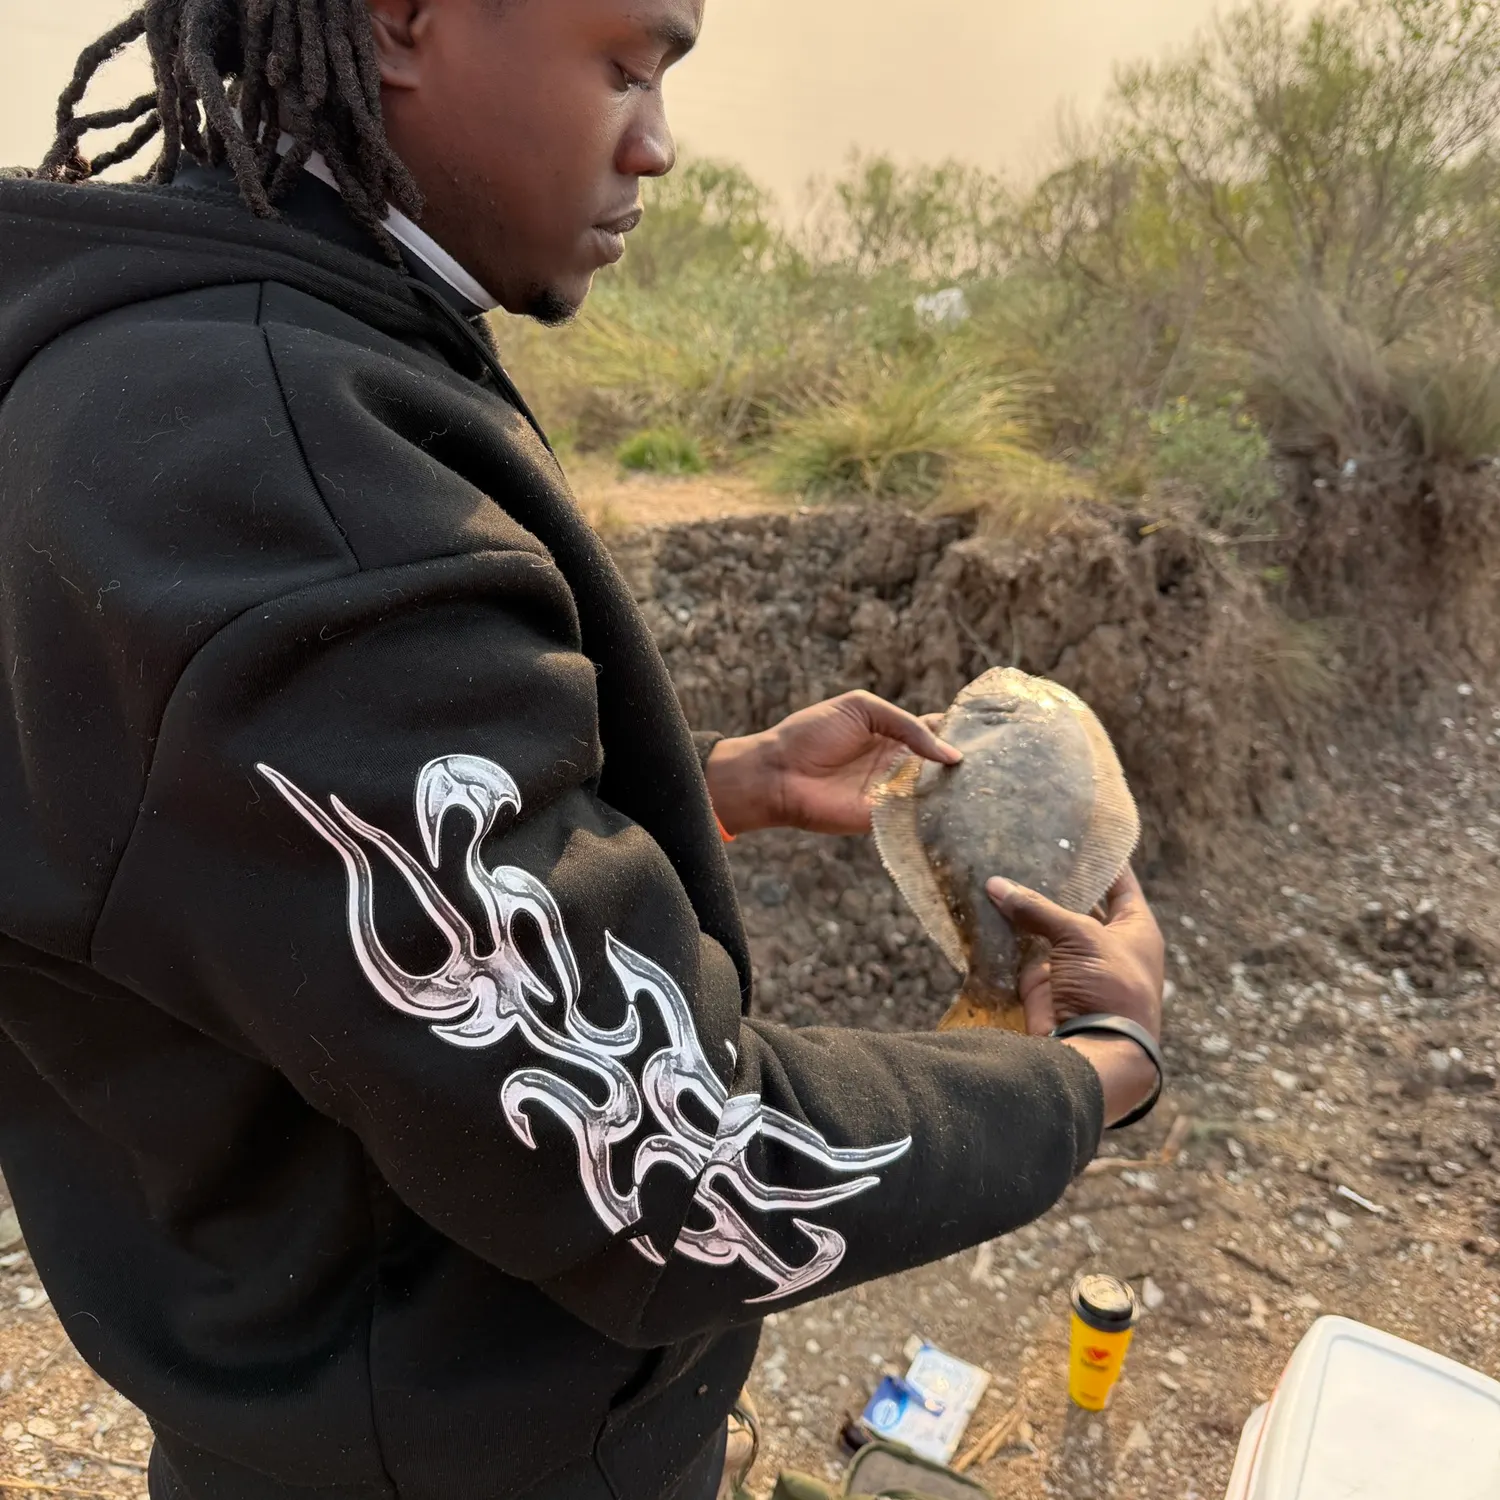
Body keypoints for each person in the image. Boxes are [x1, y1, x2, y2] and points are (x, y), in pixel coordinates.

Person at [0, 3, 1166, 1499]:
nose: (660, 146)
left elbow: (242, 858)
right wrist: (1094, 1070)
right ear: (400, 21)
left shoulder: (181, 361)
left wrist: (706, 786)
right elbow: (686, 1172)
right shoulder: (282, 467)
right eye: (626, 65)